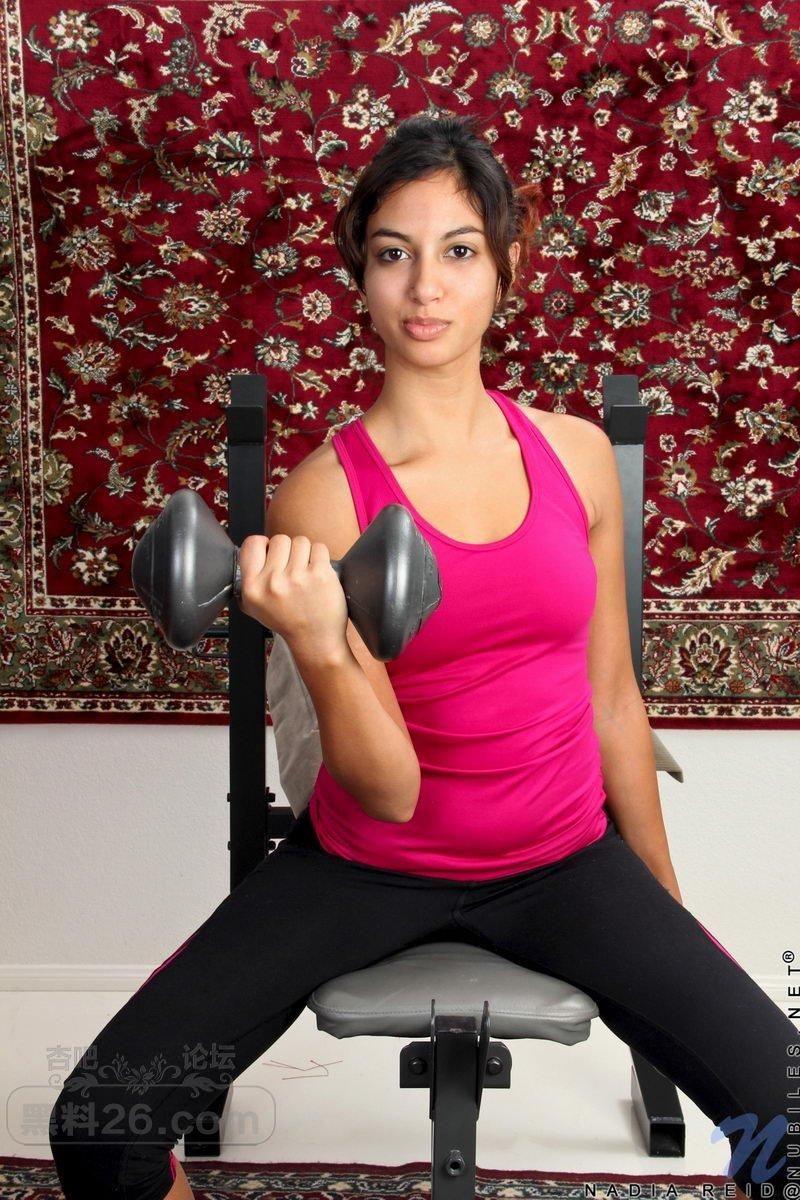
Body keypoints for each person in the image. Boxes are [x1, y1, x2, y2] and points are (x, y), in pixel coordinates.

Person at [49, 112, 798, 1200]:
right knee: (98, 1131)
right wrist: (317, 639)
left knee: (789, 1129)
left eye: (458, 251)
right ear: (360, 276)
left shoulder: (577, 457)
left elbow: (610, 699)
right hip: (364, 868)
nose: (425, 288)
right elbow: (390, 791)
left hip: (565, 865)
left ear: (507, 266)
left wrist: (671, 927)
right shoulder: (324, 496)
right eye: (393, 253)